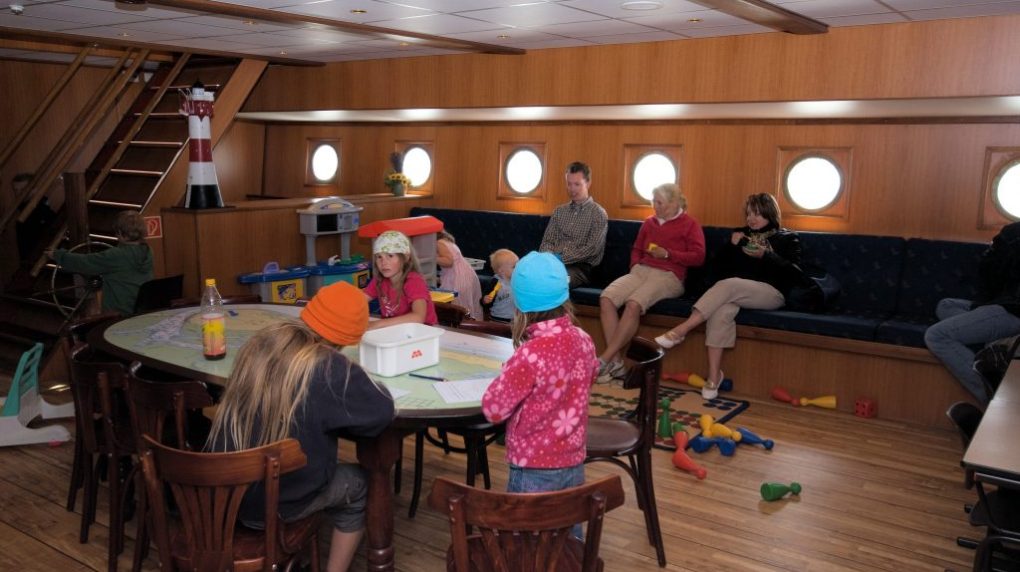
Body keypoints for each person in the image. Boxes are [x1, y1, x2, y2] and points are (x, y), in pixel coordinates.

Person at [207, 281, 395, 572]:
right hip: (273, 507)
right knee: (361, 484)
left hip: (223, 493)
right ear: (350, 338)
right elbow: (381, 410)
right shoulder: (331, 369)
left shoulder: (264, 340)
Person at [481, 252, 598, 537]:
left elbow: (494, 410)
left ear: (519, 305)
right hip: (573, 459)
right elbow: (589, 377)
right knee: (569, 537)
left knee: (525, 541)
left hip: (533, 465)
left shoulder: (530, 354)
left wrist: (503, 377)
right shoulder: (584, 339)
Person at [654, 193, 804, 399]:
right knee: (721, 311)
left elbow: (795, 273)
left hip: (772, 293)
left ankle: (682, 329)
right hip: (735, 293)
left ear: (769, 213)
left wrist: (766, 255)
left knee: (730, 284)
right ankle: (714, 377)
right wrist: (730, 247)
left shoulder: (787, 238)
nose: (751, 218)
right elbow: (716, 269)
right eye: (748, 214)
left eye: (757, 213)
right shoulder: (741, 235)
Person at [597, 183, 705, 383]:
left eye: (659, 203)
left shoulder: (690, 224)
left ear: (674, 203)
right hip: (641, 271)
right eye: (653, 202)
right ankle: (617, 362)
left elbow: (698, 256)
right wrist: (635, 265)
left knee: (633, 304)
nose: (655, 207)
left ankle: (604, 359)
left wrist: (669, 254)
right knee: (606, 298)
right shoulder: (649, 223)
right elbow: (637, 249)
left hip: (669, 275)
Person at [924, 221, 1020, 405]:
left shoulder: (1012, 234)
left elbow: (994, 277)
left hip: (1012, 311)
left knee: (937, 335)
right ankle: (998, 342)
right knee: (945, 305)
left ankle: (993, 394)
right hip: (1003, 306)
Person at [47, 210, 153, 315]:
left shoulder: (116, 255)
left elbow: (85, 263)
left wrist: (58, 255)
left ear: (121, 233)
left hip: (118, 314)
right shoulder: (148, 251)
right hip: (141, 311)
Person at [539, 161, 608, 287]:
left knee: (555, 281)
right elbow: (547, 241)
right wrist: (549, 258)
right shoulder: (559, 211)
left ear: (588, 183)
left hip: (580, 269)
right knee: (528, 274)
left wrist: (559, 259)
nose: (572, 189)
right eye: (569, 184)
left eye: (577, 184)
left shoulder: (598, 213)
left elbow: (591, 250)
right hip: (552, 262)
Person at [362, 230, 437, 329]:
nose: (383, 262)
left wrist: (376, 324)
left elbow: (418, 317)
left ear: (406, 257)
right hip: (395, 330)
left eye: (390, 256)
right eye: (379, 257)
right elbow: (358, 300)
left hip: (423, 331)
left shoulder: (414, 281)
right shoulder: (379, 280)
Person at [436, 230, 483, 319]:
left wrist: (432, 257)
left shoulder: (439, 243)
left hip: (458, 278)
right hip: (466, 274)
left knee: (456, 305)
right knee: (469, 303)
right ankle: (471, 323)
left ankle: (460, 323)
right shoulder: (447, 241)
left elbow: (449, 262)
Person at [483, 248, 519, 322]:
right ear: (502, 271)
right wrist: (485, 300)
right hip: (497, 319)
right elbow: (485, 301)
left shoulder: (518, 280)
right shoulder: (495, 283)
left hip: (515, 319)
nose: (518, 268)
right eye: (514, 267)